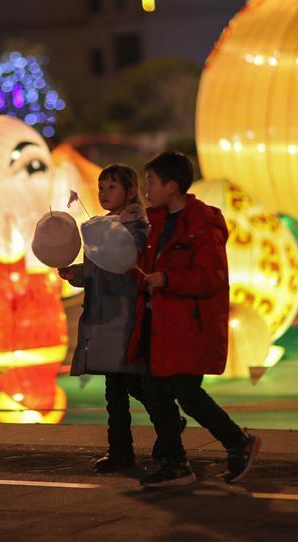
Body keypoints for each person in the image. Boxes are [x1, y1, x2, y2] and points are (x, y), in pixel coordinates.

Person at [127, 151, 260, 488]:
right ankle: (176, 463)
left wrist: (168, 279)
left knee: (187, 394)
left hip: (188, 328)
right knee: (155, 393)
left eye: (151, 182)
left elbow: (211, 277)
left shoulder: (202, 223)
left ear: (172, 186)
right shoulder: (153, 221)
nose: (146, 190)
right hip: (158, 325)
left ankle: (237, 442)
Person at [60, 164, 180, 472]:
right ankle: (125, 448)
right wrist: (77, 273)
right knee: (117, 388)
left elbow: (127, 271)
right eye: (101, 187)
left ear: (131, 191)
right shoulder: (99, 226)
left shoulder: (139, 229)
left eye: (111, 187)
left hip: (126, 317)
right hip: (103, 317)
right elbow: (98, 271)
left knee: (126, 385)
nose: (103, 193)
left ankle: (152, 434)